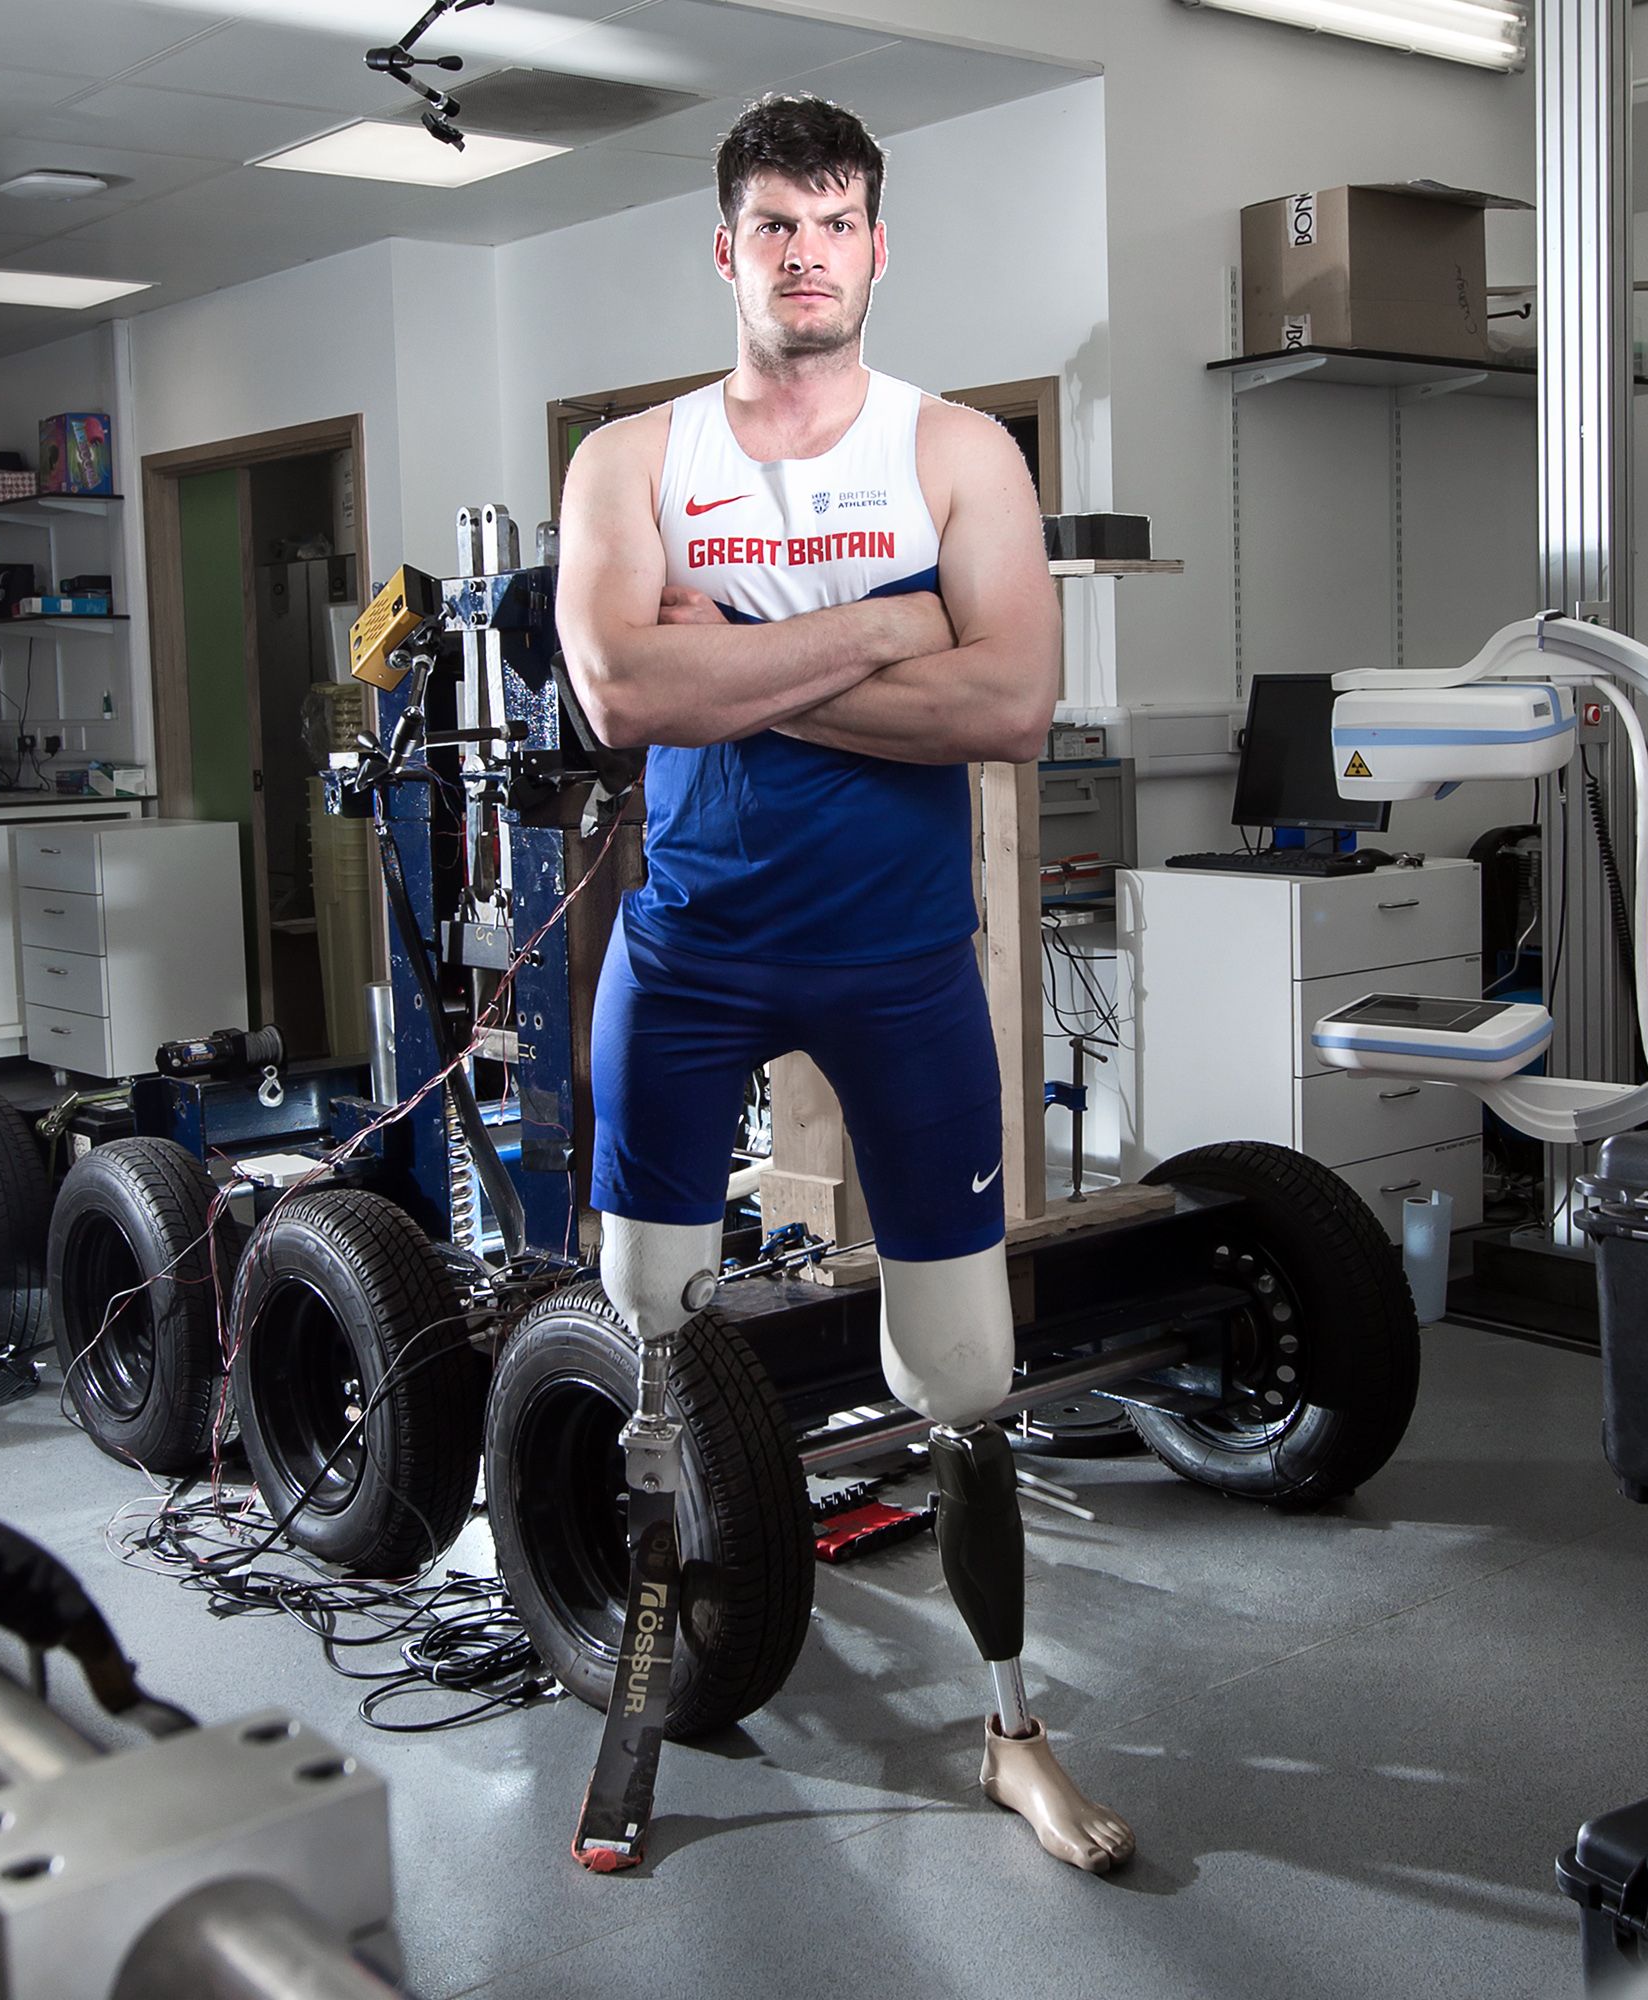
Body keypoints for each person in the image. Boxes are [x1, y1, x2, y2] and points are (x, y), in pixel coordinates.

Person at [553, 92, 1133, 1876]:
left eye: (837, 221)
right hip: (691, 954)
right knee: (650, 1317)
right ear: (727, 250)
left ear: (876, 246)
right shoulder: (629, 463)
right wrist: (890, 626)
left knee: (961, 1369)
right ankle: (647, 1686)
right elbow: (619, 698)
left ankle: (1013, 1732)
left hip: (901, 967)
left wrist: (747, 661)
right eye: (774, 226)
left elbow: (1009, 710)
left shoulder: (957, 454)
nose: (806, 253)